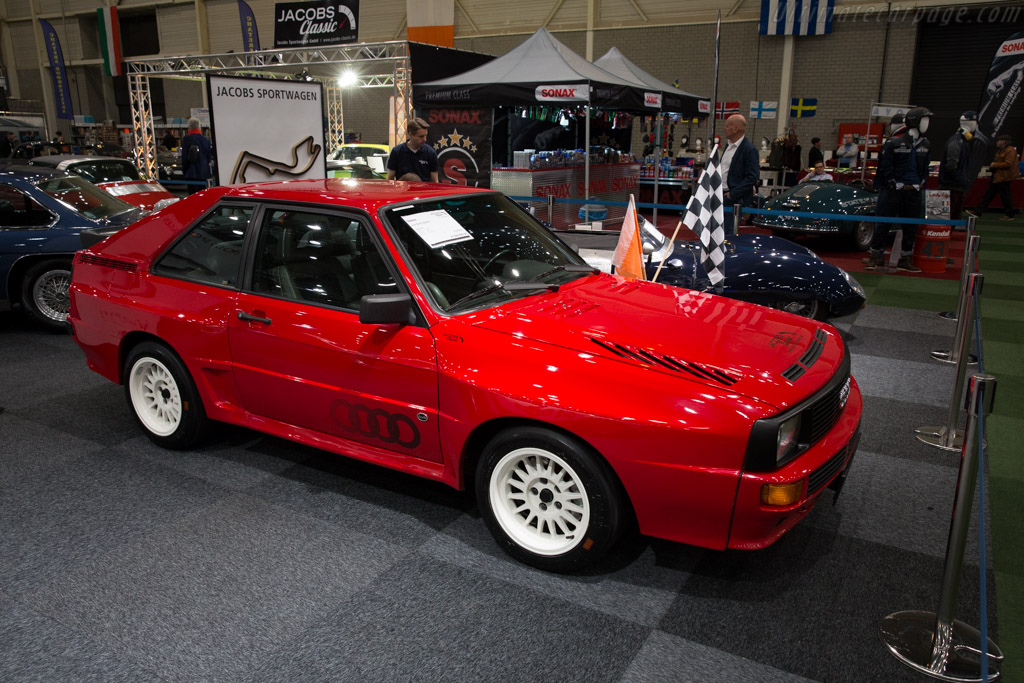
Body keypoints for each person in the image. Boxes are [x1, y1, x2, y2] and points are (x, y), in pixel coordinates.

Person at [862, 106, 932, 272]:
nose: (927, 124)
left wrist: (922, 181)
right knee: (883, 223)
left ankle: (905, 258)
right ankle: (875, 256)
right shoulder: (894, 143)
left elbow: (926, 166)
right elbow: (885, 167)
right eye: (924, 120)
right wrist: (892, 182)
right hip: (893, 190)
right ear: (915, 121)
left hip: (913, 190)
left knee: (910, 226)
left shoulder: (926, 144)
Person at [937, 111, 976, 221]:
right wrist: (961, 181)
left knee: (953, 218)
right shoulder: (956, 142)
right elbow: (951, 166)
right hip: (950, 187)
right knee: (943, 219)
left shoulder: (962, 142)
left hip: (956, 187)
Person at [970, 134, 1020, 220]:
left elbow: (1009, 163)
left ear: (1004, 141)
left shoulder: (1010, 150)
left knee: (1004, 196)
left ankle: (1010, 214)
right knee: (989, 195)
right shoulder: (1002, 150)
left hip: (1004, 177)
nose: (997, 142)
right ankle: (978, 212)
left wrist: (994, 164)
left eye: (999, 141)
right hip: (998, 176)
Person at [720, 114, 759, 209]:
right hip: (720, 194)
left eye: (727, 126)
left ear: (735, 129)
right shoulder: (728, 146)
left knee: (730, 224)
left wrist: (733, 194)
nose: (724, 128)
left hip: (734, 198)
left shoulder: (749, 149)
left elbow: (752, 177)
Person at [386, 117, 438, 182]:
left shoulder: (430, 153)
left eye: (426, 136)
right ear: (410, 135)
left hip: (423, 191)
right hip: (403, 191)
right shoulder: (397, 152)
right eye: (421, 136)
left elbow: (435, 181)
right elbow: (390, 179)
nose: (424, 139)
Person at [180, 118, 212, 195]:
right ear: (199, 127)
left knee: (192, 196)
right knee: (202, 195)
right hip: (204, 173)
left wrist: (185, 171)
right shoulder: (205, 140)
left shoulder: (187, 139)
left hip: (191, 173)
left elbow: (184, 158)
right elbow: (209, 158)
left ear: (189, 128)